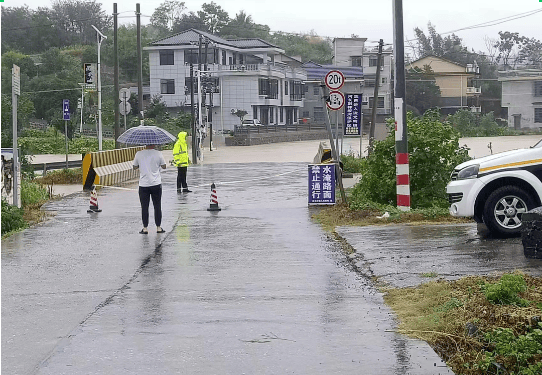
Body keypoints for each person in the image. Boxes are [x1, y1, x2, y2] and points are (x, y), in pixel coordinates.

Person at [133, 144, 167, 234]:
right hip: (156, 184)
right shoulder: (158, 154)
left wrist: (142, 165)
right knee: (157, 205)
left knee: (144, 206)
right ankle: (158, 227)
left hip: (143, 185)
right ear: (154, 144)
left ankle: (145, 228)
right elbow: (164, 166)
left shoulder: (139, 154)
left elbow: (134, 167)